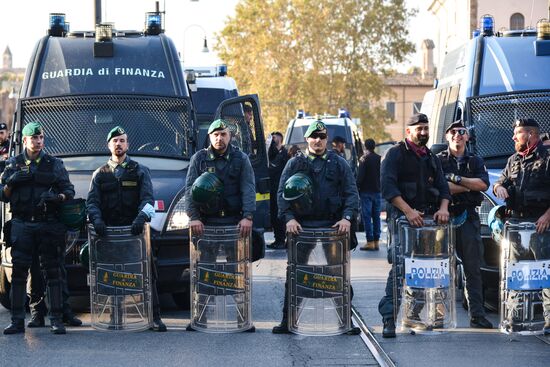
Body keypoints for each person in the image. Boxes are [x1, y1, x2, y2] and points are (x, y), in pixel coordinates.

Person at [272, 119, 360, 335]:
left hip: (333, 229)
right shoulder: (295, 163)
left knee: (337, 275)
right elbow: (281, 194)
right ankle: (288, 320)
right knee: (296, 273)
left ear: (326, 139)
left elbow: (351, 193)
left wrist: (347, 218)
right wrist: (289, 219)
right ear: (307, 139)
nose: (318, 141)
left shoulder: (338, 163)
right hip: (302, 228)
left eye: (322, 137)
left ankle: (345, 321)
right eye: (314, 137)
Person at [87, 126, 166, 332]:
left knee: (148, 273)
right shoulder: (100, 174)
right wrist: (97, 221)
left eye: (122, 140)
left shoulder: (139, 170)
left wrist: (141, 218)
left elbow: (148, 200)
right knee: (112, 274)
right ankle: (115, 316)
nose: (118, 144)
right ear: (109, 145)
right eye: (115, 141)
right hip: (110, 234)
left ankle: (155, 317)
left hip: (136, 233)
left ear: (127, 144)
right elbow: (92, 203)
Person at [378, 113, 450, 338]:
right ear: (408, 131)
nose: (423, 132)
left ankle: (413, 314)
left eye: (426, 128)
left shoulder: (431, 157)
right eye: (419, 128)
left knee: (424, 271)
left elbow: (444, 189)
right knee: (400, 269)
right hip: (402, 222)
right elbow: (388, 188)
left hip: (428, 224)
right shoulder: (395, 154)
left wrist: (443, 208)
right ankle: (389, 319)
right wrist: (408, 211)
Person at [2, 122, 75, 335]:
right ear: (24, 140)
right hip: (22, 224)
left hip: (47, 224)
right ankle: (17, 322)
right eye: (34, 138)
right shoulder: (13, 164)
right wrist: (11, 183)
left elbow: (68, 190)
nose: (39, 141)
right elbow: (2, 194)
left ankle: (56, 320)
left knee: (53, 273)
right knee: (18, 275)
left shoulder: (54, 164)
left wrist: (57, 197)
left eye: (41, 137)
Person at [184, 119, 256, 330]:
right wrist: (194, 217)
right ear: (210, 137)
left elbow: (248, 188)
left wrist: (248, 216)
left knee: (238, 273)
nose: (219, 138)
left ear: (230, 136)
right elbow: (189, 190)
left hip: (234, 224)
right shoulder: (199, 159)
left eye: (223, 134)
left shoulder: (240, 159)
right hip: (207, 225)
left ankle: (243, 319)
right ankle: (200, 318)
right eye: (215, 135)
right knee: (205, 271)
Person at [493, 118, 550, 335]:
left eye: (517, 133)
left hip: (540, 225)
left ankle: (548, 320)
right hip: (517, 225)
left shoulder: (547, 159)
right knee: (517, 272)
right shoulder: (514, 160)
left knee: (545, 273)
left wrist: (547, 216)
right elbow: (501, 180)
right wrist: (499, 187)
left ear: (532, 135)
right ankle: (515, 317)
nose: (513, 137)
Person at [437, 120, 493, 329]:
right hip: (443, 218)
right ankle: (439, 315)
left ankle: (476, 315)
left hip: (468, 217)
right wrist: (468, 185)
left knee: (473, 268)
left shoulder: (475, 161)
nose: (457, 135)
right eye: (453, 132)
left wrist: (455, 180)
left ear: (467, 137)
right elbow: (439, 187)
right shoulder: (438, 160)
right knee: (442, 270)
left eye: (461, 132)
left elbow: (483, 185)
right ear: (447, 136)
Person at [357, 138, 381, 251]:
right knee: (376, 217)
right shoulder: (379, 159)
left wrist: (356, 188)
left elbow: (360, 177)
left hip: (366, 192)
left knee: (367, 217)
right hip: (377, 191)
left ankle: (370, 241)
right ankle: (376, 241)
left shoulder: (363, 159)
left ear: (365, 147)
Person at [267, 131, 289, 249]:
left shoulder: (284, 154)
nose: (271, 140)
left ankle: (281, 240)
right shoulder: (273, 153)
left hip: (281, 189)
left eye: (273, 138)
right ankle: (279, 239)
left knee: (280, 215)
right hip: (274, 188)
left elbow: (273, 168)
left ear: (279, 140)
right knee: (275, 215)